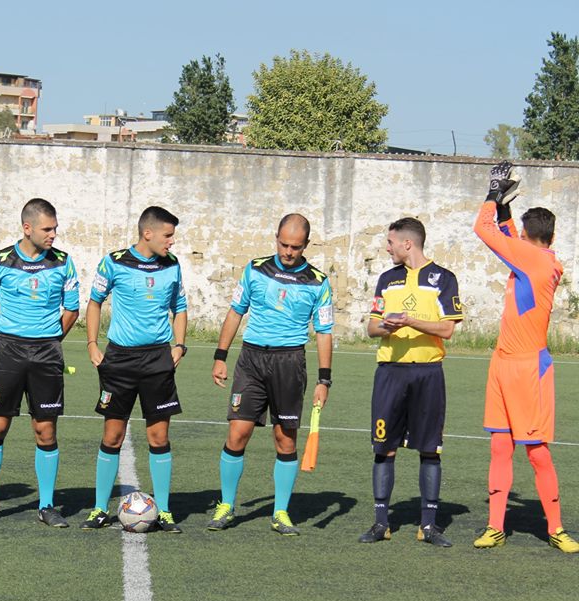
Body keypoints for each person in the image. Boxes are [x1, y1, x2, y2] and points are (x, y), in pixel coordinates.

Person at [472, 161, 579, 553]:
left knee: (537, 452)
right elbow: (508, 237)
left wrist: (492, 193)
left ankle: (557, 529)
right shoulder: (531, 255)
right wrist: (505, 210)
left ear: (532, 240)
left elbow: (483, 230)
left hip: (529, 368)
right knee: (501, 448)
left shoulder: (536, 260)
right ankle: (495, 527)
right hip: (503, 362)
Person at [207, 214, 333, 535]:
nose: (288, 251)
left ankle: (280, 512)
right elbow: (236, 311)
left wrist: (324, 379)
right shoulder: (255, 269)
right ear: (276, 237)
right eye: (284, 244)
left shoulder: (318, 282)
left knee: (284, 439)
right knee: (237, 433)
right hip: (251, 359)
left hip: (289, 363)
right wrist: (220, 356)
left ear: (306, 245)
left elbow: (324, 332)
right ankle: (226, 505)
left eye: (296, 247)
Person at [0, 198, 79, 528]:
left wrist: (50, 340)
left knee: (45, 429)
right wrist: (5, 339)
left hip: (47, 354)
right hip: (8, 352)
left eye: (55, 228)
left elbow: (71, 310)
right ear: (27, 228)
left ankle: (47, 505)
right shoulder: (1, 260)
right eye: (47, 229)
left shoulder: (63, 262)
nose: (53, 234)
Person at [80, 206, 187, 533]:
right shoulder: (113, 262)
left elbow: (180, 307)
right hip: (120, 360)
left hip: (157, 360)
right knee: (112, 435)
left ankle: (164, 511)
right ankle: (99, 509)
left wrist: (179, 346)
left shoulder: (172, 265)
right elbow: (95, 301)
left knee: (159, 436)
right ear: (147, 233)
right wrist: (92, 344)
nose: (172, 241)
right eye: (168, 235)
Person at [356, 217, 462, 547]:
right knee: (383, 448)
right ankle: (381, 523)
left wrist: (411, 321)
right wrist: (387, 326)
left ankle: (428, 526)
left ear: (407, 243)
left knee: (430, 449)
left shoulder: (443, 278)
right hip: (390, 372)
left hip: (428, 373)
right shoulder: (387, 280)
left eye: (390, 242)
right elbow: (371, 328)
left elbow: (447, 329)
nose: (387, 248)